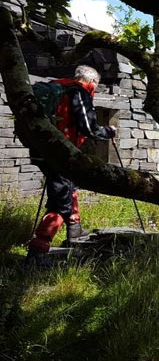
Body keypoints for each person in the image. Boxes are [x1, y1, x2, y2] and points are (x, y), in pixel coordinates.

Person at [26, 65, 117, 264]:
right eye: (96, 85)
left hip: (41, 150)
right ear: (92, 82)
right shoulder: (79, 92)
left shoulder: (56, 88)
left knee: (69, 186)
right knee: (60, 202)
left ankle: (74, 229)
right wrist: (109, 131)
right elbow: (89, 128)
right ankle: (38, 250)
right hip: (61, 153)